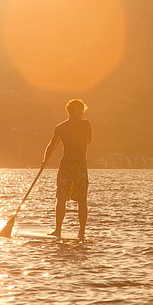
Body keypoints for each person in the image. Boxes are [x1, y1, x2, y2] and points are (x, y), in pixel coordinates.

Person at [42, 98, 92, 240]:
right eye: (81, 110)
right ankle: (76, 232)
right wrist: (45, 160)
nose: (82, 113)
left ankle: (63, 230)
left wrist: (45, 160)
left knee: (67, 198)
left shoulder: (61, 127)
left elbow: (52, 145)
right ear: (75, 110)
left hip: (70, 164)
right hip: (76, 164)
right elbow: (89, 140)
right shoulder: (84, 125)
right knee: (73, 198)